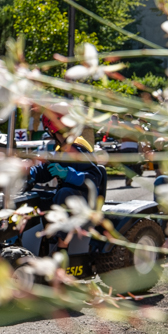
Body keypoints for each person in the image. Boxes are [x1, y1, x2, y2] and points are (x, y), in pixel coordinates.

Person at [27, 104, 104, 247]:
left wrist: (68, 174)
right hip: (74, 199)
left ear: (50, 127)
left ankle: (62, 247)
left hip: (85, 200)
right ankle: (42, 242)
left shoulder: (76, 147)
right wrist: (29, 172)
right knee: (40, 198)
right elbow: (46, 171)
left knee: (64, 193)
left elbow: (95, 177)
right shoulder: (61, 149)